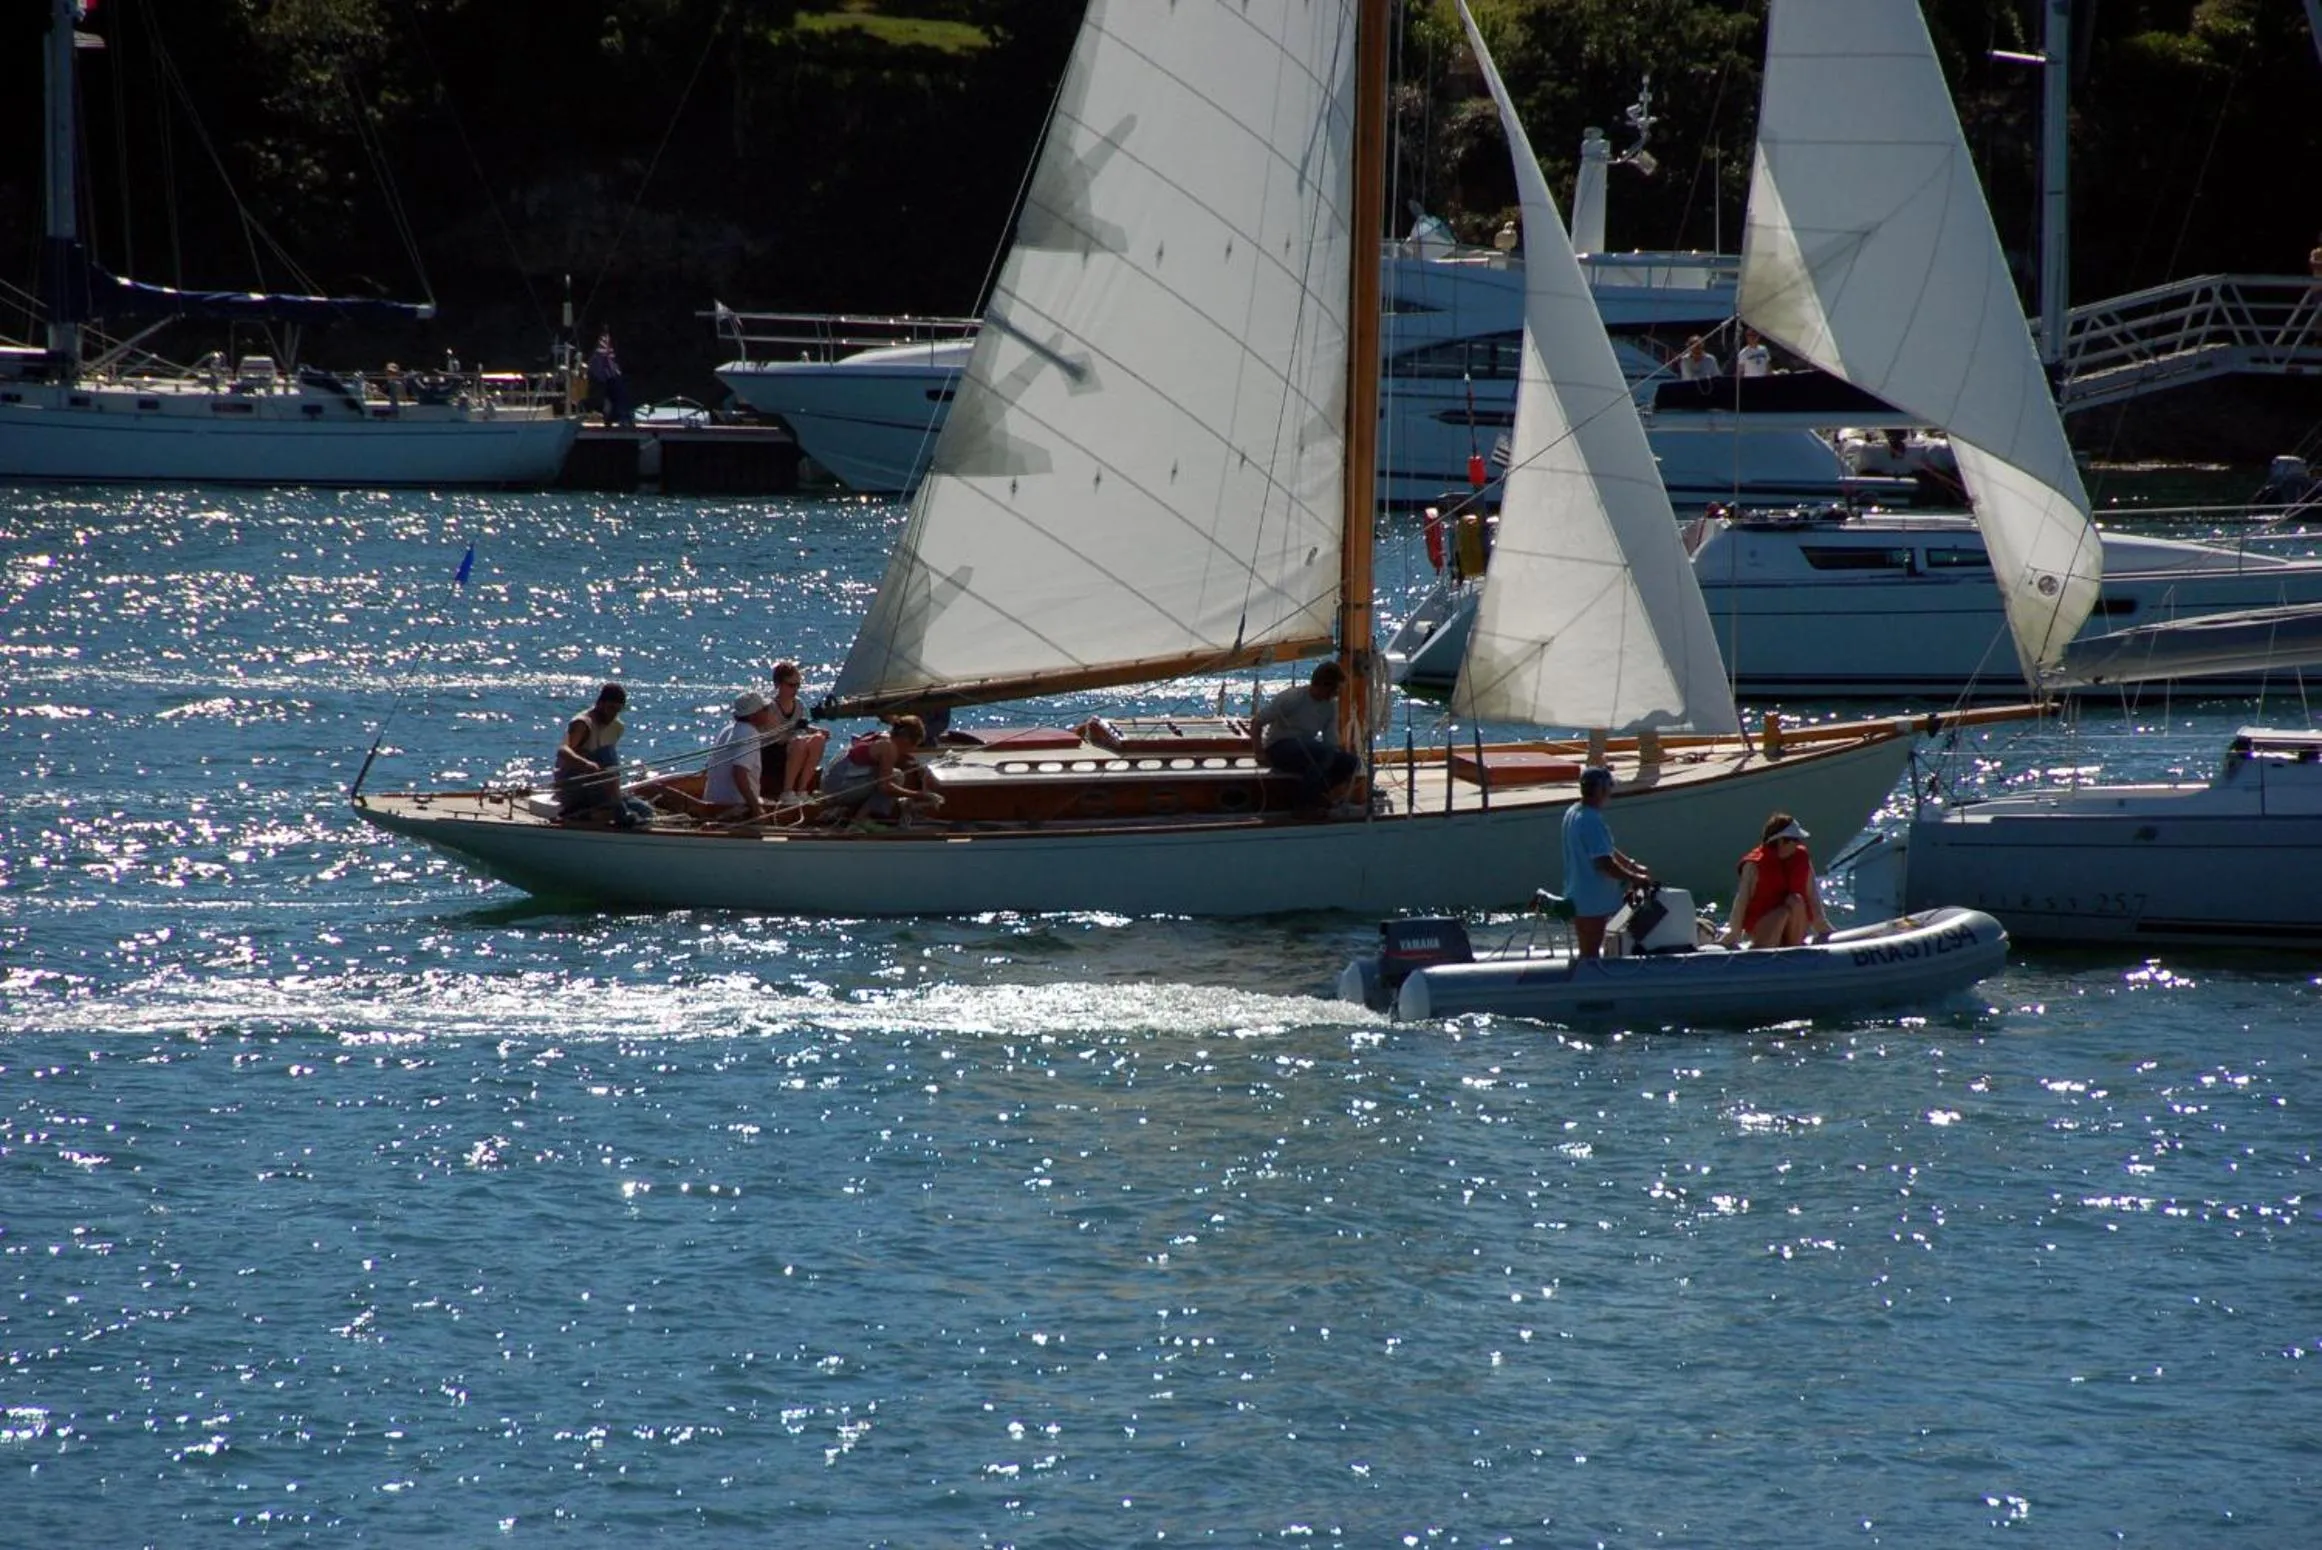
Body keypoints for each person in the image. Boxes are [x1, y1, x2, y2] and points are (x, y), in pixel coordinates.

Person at [1561, 765, 1651, 960]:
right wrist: (1634, 878)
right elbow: (1604, 863)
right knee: (1591, 954)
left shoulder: (1574, 812)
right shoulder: (1591, 820)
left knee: (1587, 951)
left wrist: (1631, 864)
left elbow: (1605, 848)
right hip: (1592, 900)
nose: (1610, 793)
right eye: (1609, 788)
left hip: (1579, 895)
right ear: (1601, 790)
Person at [1251, 660, 1362, 811]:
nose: (1335, 695)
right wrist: (1259, 752)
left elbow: (1330, 740)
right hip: (1279, 747)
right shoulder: (1292, 698)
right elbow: (1258, 722)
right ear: (1324, 684)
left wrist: (1342, 753)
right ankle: (1304, 803)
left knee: (1351, 762)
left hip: (1307, 749)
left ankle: (1314, 794)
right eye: (1334, 690)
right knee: (1323, 754)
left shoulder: (1330, 707)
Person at [1722, 812, 1832, 948]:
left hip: (1793, 930)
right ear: (1781, 841)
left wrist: (1824, 929)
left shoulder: (1801, 859)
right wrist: (1733, 934)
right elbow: (1741, 902)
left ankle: (1794, 949)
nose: (1798, 844)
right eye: (1795, 840)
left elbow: (1812, 897)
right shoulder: (1754, 865)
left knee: (1795, 900)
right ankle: (1765, 950)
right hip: (1764, 926)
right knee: (1782, 912)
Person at [820, 714, 940, 823]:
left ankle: (852, 814)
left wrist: (914, 765)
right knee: (896, 777)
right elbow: (885, 787)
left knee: (892, 775)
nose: (911, 750)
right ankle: (860, 821)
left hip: (831, 785)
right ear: (906, 739)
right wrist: (920, 795)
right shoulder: (888, 748)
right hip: (838, 789)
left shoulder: (882, 738)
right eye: (913, 745)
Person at [555, 682, 632, 822]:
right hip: (574, 785)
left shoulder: (617, 727)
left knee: (645, 811)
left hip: (599, 788)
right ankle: (617, 808)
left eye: (617, 711)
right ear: (600, 704)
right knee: (605, 753)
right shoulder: (583, 723)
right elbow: (563, 751)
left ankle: (585, 815)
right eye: (610, 708)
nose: (612, 715)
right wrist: (586, 764)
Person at [704, 690, 782, 821]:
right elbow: (739, 773)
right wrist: (757, 809)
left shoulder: (727, 729)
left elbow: (708, 767)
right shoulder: (750, 733)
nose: (768, 711)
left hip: (712, 802)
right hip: (734, 806)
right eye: (765, 709)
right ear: (753, 716)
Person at [765, 660, 830, 808]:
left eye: (798, 685)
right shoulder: (770, 707)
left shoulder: (799, 704)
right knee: (800, 742)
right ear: (778, 684)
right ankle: (787, 792)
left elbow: (802, 725)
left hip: (793, 745)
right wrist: (799, 731)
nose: (795, 689)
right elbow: (778, 737)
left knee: (818, 740)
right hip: (773, 750)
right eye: (791, 685)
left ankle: (802, 791)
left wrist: (817, 731)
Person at [588, 331, 632, 428]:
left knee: (616, 396)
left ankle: (620, 418)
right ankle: (615, 418)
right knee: (613, 397)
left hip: (610, 377)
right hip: (606, 377)